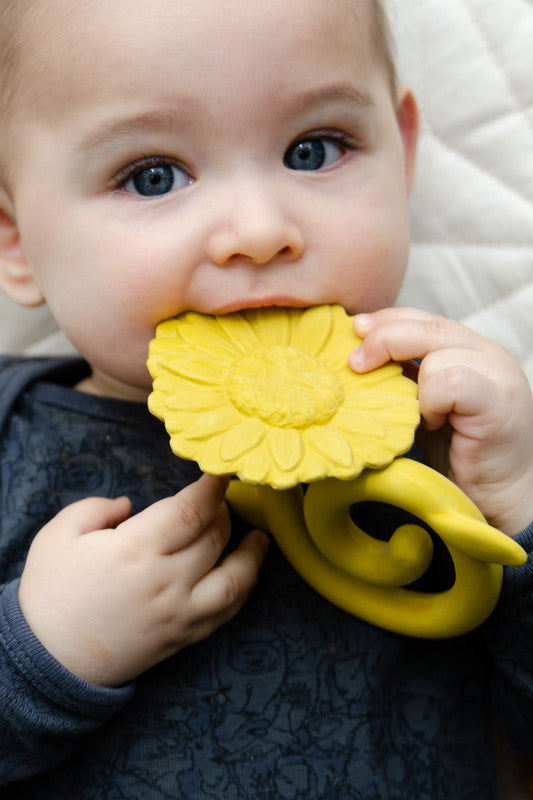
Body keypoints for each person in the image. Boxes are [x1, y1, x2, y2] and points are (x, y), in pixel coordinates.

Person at [0, 0, 531, 796]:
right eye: (152, 176)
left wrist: (520, 503)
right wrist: (40, 655)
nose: (257, 229)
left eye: (313, 150)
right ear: (14, 238)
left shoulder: (460, 436)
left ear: (404, 153)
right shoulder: (11, 439)